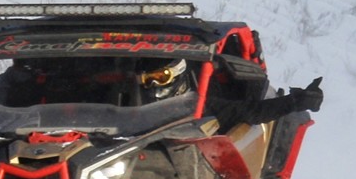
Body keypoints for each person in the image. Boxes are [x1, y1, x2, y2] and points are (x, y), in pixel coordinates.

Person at [136, 57, 323, 127]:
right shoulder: (133, 99)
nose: (152, 83)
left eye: (161, 77)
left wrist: (296, 101)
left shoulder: (202, 103)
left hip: (212, 162)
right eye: (147, 79)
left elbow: (250, 112)